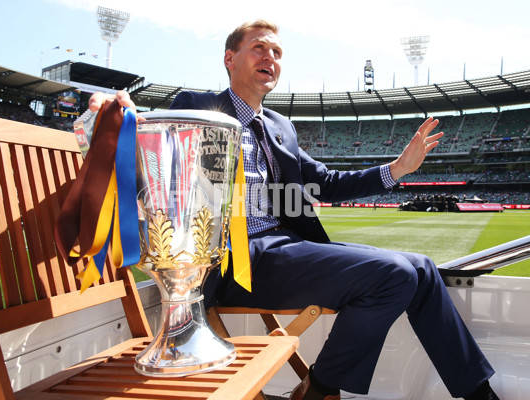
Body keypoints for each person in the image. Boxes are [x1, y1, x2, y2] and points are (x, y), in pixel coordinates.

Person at [89, 20, 499, 400]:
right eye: (259, 48)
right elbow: (152, 144)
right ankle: (319, 389)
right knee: (393, 276)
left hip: (280, 247)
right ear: (230, 59)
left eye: (278, 53)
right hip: (231, 261)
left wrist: (396, 170)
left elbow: (327, 183)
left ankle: (480, 394)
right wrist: (120, 112)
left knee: (422, 268)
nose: (271, 58)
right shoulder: (197, 105)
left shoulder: (281, 126)